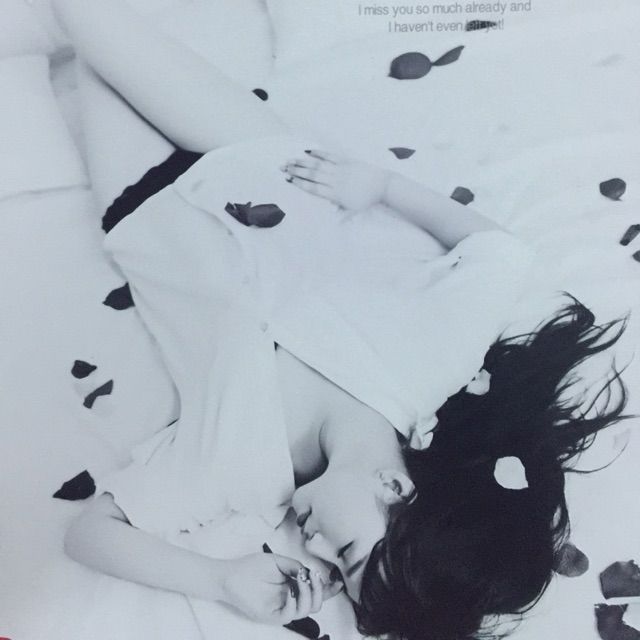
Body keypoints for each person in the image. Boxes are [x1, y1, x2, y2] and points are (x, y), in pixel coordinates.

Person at [54, 0, 630, 638]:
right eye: (347, 553)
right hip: (252, 149)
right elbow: (500, 254)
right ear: (396, 489)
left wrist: (217, 579)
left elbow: (90, 534)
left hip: (143, 205)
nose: (316, 550)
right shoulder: (431, 365)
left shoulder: (239, 474)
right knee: (88, 18)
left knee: (84, 52)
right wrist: (382, 188)